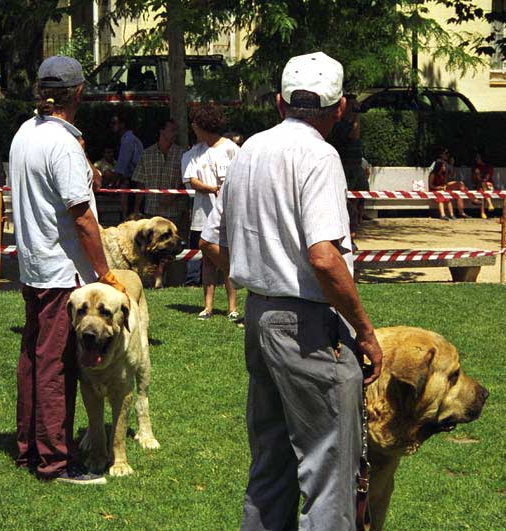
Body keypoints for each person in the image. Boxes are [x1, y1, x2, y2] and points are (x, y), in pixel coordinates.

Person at [199, 51, 383, 530]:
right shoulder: (321, 156)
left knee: (271, 465)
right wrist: (364, 330)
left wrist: (254, 275)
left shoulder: (247, 151)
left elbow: (210, 240)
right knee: (328, 469)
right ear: (339, 108)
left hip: (260, 317)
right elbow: (324, 256)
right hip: (306, 325)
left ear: (279, 102)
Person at [9, 55, 127, 485]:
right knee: (58, 364)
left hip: (33, 266)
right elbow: (81, 216)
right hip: (63, 274)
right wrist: (104, 272)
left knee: (34, 360)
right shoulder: (62, 143)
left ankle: (29, 449)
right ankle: (57, 461)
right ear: (78, 94)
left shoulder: (25, 132)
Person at [182, 104, 239, 321]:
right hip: (203, 213)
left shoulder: (232, 149)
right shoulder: (194, 153)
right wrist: (211, 188)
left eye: (195, 124)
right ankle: (208, 307)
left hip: (228, 214)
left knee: (226, 257)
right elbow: (191, 180)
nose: (193, 127)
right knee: (207, 259)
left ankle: (232, 307)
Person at [132, 117, 188, 288]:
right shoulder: (147, 154)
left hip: (174, 212)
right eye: (171, 130)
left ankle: (173, 282)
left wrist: (175, 195)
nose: (174, 134)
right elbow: (140, 183)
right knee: (151, 249)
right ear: (161, 131)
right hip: (152, 212)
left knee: (173, 248)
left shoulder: (182, 154)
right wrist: (135, 209)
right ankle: (151, 281)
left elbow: (187, 181)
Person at [331, 94, 368, 237]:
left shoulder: (350, 122)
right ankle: (347, 231)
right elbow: (353, 135)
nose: (356, 109)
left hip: (356, 165)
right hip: (346, 166)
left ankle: (355, 224)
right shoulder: (340, 124)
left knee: (360, 196)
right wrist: (355, 118)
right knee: (347, 200)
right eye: (353, 107)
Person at [111, 113, 144, 218]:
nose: (112, 126)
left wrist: (111, 182)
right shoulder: (130, 139)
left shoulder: (128, 140)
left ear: (122, 124)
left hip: (133, 183)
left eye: (114, 123)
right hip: (134, 181)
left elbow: (122, 166)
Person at [428, 147, 468, 220]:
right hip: (435, 189)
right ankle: (442, 215)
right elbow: (431, 185)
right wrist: (438, 188)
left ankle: (453, 214)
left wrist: (452, 164)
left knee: (449, 196)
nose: (445, 167)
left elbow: (451, 175)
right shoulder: (434, 173)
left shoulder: (444, 171)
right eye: (446, 153)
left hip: (443, 187)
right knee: (441, 197)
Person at [471, 151, 496, 219]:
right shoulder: (475, 167)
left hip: (488, 185)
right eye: (476, 158)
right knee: (482, 188)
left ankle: (482, 212)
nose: (476, 159)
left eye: (478, 158)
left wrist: (482, 180)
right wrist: (477, 175)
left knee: (482, 189)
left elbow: (486, 178)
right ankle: (490, 204)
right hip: (478, 185)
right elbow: (474, 181)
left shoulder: (489, 167)